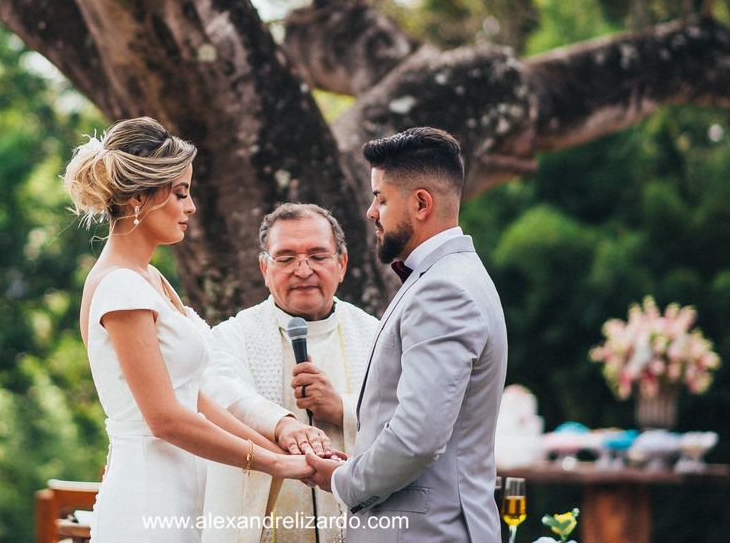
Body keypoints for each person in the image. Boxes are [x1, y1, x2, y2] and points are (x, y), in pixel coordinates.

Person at [65, 117, 314, 543]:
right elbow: (164, 418)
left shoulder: (149, 280)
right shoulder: (120, 287)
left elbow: (191, 396)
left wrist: (277, 450)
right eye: (180, 193)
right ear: (141, 198)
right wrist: (268, 464)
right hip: (148, 499)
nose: (191, 206)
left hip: (182, 495)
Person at [304, 127, 507, 543]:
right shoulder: (455, 277)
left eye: (380, 198)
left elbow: (417, 437)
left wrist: (344, 481)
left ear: (420, 203)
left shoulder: (443, 290)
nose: (370, 212)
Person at [202, 203, 379, 543]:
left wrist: (341, 407)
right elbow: (219, 390)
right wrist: (281, 423)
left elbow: (406, 412)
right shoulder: (232, 334)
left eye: (317, 255)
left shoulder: (374, 335)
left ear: (341, 264)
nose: (303, 270)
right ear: (264, 268)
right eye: (285, 258)